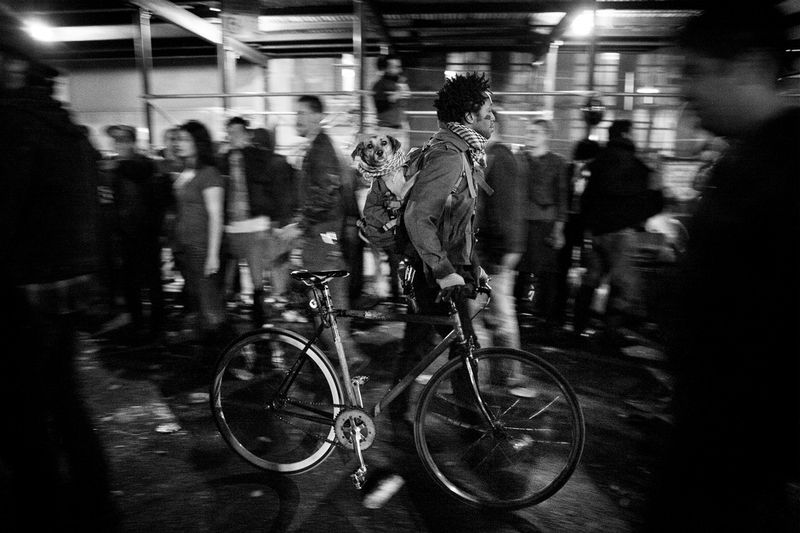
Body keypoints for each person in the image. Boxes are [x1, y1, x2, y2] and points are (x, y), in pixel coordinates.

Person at [644, 5, 800, 532]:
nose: (682, 91)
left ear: (751, 67)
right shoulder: (749, 160)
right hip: (716, 443)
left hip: (735, 454)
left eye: (694, 70)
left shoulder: (782, 171)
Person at [0, 10, 118, 529]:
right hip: (69, 291)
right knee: (64, 400)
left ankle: (42, 510)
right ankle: (95, 501)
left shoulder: (14, 127)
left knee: (24, 414)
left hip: (23, 294)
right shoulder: (71, 132)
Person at [391, 72, 494, 433]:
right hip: (434, 270)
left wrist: (473, 267)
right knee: (455, 344)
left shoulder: (463, 153)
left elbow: (459, 224)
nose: (494, 118)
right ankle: (470, 417)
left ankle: (406, 408)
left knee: (432, 343)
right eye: (488, 111)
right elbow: (419, 215)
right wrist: (444, 270)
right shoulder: (449, 156)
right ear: (469, 117)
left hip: (449, 266)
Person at [572, 119, 663, 349]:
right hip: (622, 233)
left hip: (596, 232)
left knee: (591, 280)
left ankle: (577, 329)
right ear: (627, 134)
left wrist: (587, 227)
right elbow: (654, 202)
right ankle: (610, 332)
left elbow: (585, 199)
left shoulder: (598, 162)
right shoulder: (638, 166)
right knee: (620, 284)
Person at [285, 95, 364, 361]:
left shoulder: (321, 149)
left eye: (302, 113)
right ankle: (340, 355)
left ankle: (347, 358)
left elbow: (327, 190)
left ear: (318, 116)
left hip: (322, 234)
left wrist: (302, 224)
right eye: (296, 113)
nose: (297, 119)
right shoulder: (319, 147)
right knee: (325, 296)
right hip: (323, 233)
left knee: (326, 297)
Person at [104, 124, 166, 342]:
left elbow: (156, 200)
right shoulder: (119, 169)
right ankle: (141, 322)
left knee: (149, 280)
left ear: (132, 142)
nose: (118, 145)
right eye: (116, 141)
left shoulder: (138, 167)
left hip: (144, 233)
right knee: (134, 281)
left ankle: (154, 324)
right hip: (128, 234)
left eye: (122, 140)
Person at [217, 116, 279, 327]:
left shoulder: (258, 157)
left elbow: (268, 185)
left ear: (246, 133)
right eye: (230, 132)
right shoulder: (223, 159)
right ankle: (227, 307)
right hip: (233, 223)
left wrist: (270, 219)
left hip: (254, 222)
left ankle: (258, 313)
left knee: (256, 273)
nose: (233, 136)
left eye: (237, 132)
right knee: (229, 268)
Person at [472, 110, 525, 350]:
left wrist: (509, 249)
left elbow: (506, 208)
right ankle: (498, 374)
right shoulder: (490, 158)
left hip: (494, 252)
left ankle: (507, 374)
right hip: (489, 249)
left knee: (496, 313)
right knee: (489, 314)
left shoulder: (500, 158)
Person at [171, 120, 227, 344]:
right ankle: (209, 351)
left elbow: (216, 216)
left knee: (209, 303)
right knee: (198, 301)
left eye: (185, 139)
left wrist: (213, 254)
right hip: (185, 246)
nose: (179, 143)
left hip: (201, 246)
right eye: (178, 139)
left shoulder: (209, 174)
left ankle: (229, 353)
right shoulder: (186, 171)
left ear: (198, 143)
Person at [514, 119, 569, 338]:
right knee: (521, 272)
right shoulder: (521, 160)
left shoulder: (557, 163)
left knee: (545, 274)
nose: (530, 135)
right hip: (523, 222)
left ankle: (543, 318)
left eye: (535, 132)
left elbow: (562, 196)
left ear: (546, 135)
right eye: (529, 132)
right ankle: (519, 314)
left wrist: (559, 228)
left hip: (544, 223)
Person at [371, 54, 411, 148]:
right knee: (386, 160)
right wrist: (394, 96)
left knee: (400, 160)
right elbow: (380, 107)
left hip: (400, 128)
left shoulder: (399, 83)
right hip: (386, 130)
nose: (399, 70)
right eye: (395, 67)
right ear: (386, 68)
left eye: (399, 66)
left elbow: (403, 102)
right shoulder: (379, 85)